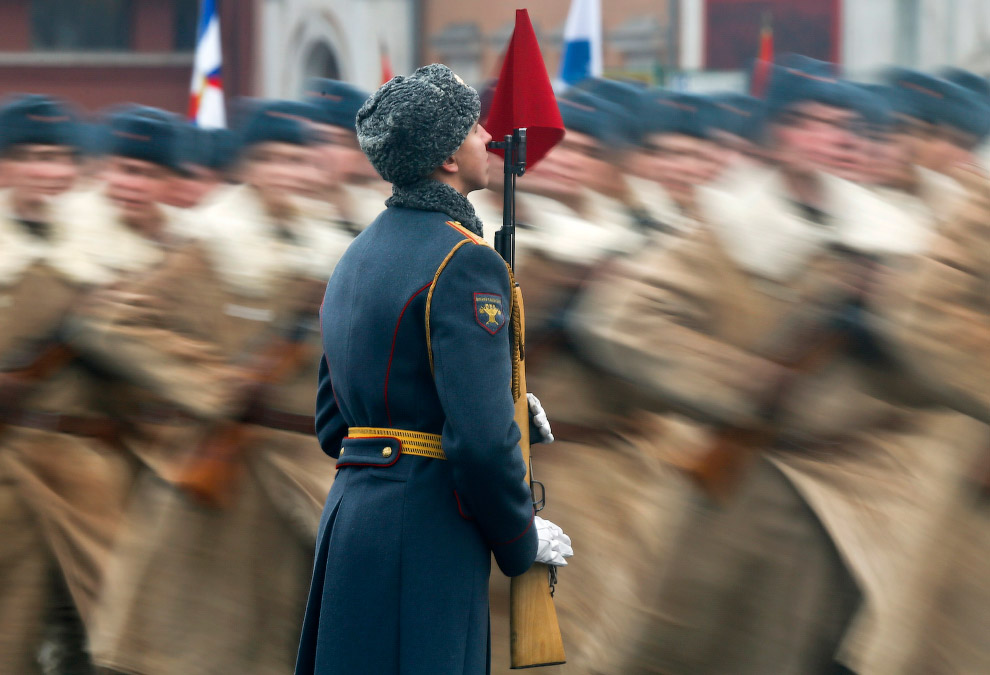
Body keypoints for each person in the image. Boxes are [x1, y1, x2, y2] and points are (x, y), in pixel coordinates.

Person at [572, 55, 946, 674]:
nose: (832, 136)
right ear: (776, 133)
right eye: (810, 120)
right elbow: (622, 320)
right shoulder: (725, 230)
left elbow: (935, 361)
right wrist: (746, 380)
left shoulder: (893, 239)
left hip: (881, 483)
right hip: (765, 481)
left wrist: (893, 336)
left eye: (842, 123)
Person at [294, 64, 572, 675]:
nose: (487, 139)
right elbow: (477, 442)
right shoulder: (466, 261)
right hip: (425, 533)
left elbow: (333, 423)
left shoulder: (355, 255)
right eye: (474, 128)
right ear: (447, 157)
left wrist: (501, 403)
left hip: (353, 519)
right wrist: (520, 538)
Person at [68, 99, 349, 675]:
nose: (285, 172)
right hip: (225, 479)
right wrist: (213, 382)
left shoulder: (333, 250)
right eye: (269, 158)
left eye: (296, 159)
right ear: (247, 166)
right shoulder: (210, 244)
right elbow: (108, 322)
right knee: (202, 646)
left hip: (309, 469)